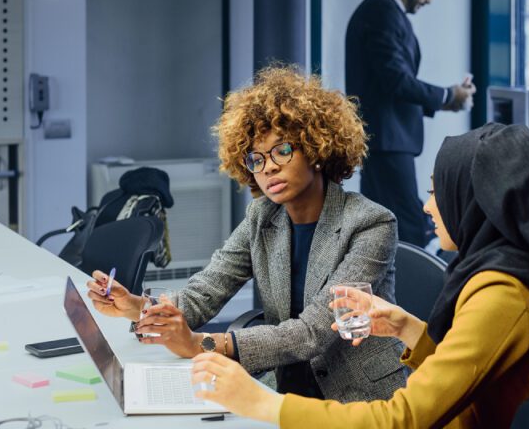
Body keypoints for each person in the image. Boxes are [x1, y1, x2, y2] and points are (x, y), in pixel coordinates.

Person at [190, 124, 529, 428]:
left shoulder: (502, 295)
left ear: (475, 201)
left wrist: (262, 404)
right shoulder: (513, 269)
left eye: (438, 190)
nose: (428, 206)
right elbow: (481, 366)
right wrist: (405, 326)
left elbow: (403, 420)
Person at [86, 66, 406, 402]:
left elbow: (312, 333)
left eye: (282, 151)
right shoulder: (263, 215)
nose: (268, 167)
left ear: (315, 148)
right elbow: (206, 290)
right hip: (287, 389)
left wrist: (202, 344)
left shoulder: (370, 223)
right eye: (256, 158)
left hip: (358, 399)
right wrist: (137, 307)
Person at [345, 0, 476, 247]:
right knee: (409, 230)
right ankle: (412, 293)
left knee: (387, 228)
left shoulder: (382, 11)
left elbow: (390, 84)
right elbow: (396, 81)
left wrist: (449, 99)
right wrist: (447, 95)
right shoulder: (381, 13)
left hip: (385, 142)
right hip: (388, 144)